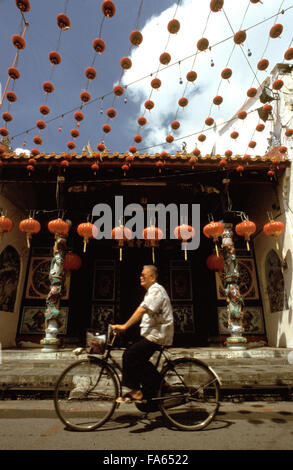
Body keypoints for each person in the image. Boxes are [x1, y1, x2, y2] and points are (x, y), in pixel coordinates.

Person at [111, 265, 174, 403]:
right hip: (153, 333)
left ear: (152, 277)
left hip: (158, 334)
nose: (141, 277)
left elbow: (142, 309)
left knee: (129, 355)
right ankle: (161, 384)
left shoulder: (156, 290)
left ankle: (135, 391)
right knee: (140, 360)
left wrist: (125, 326)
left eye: (143, 275)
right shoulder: (150, 292)